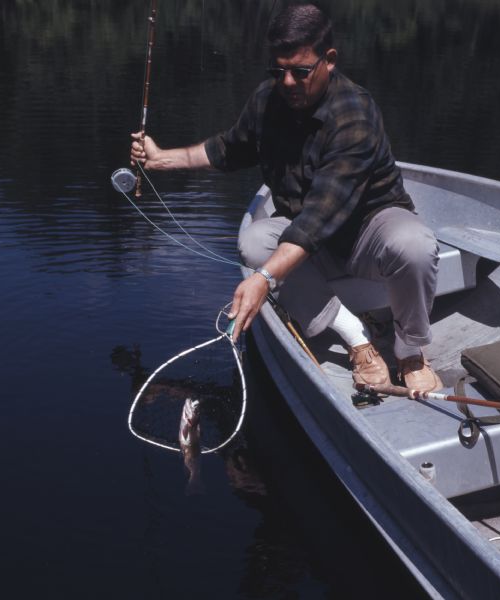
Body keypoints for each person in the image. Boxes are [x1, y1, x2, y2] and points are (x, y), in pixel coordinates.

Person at [130, 4, 443, 394]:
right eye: (278, 72)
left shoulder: (354, 114)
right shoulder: (269, 100)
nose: (289, 83)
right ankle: (357, 338)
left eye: (300, 71)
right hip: (309, 234)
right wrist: (162, 159)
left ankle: (410, 350)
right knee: (253, 241)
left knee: (414, 244)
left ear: (329, 60)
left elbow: (320, 214)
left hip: (367, 229)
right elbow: (228, 149)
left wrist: (263, 280)